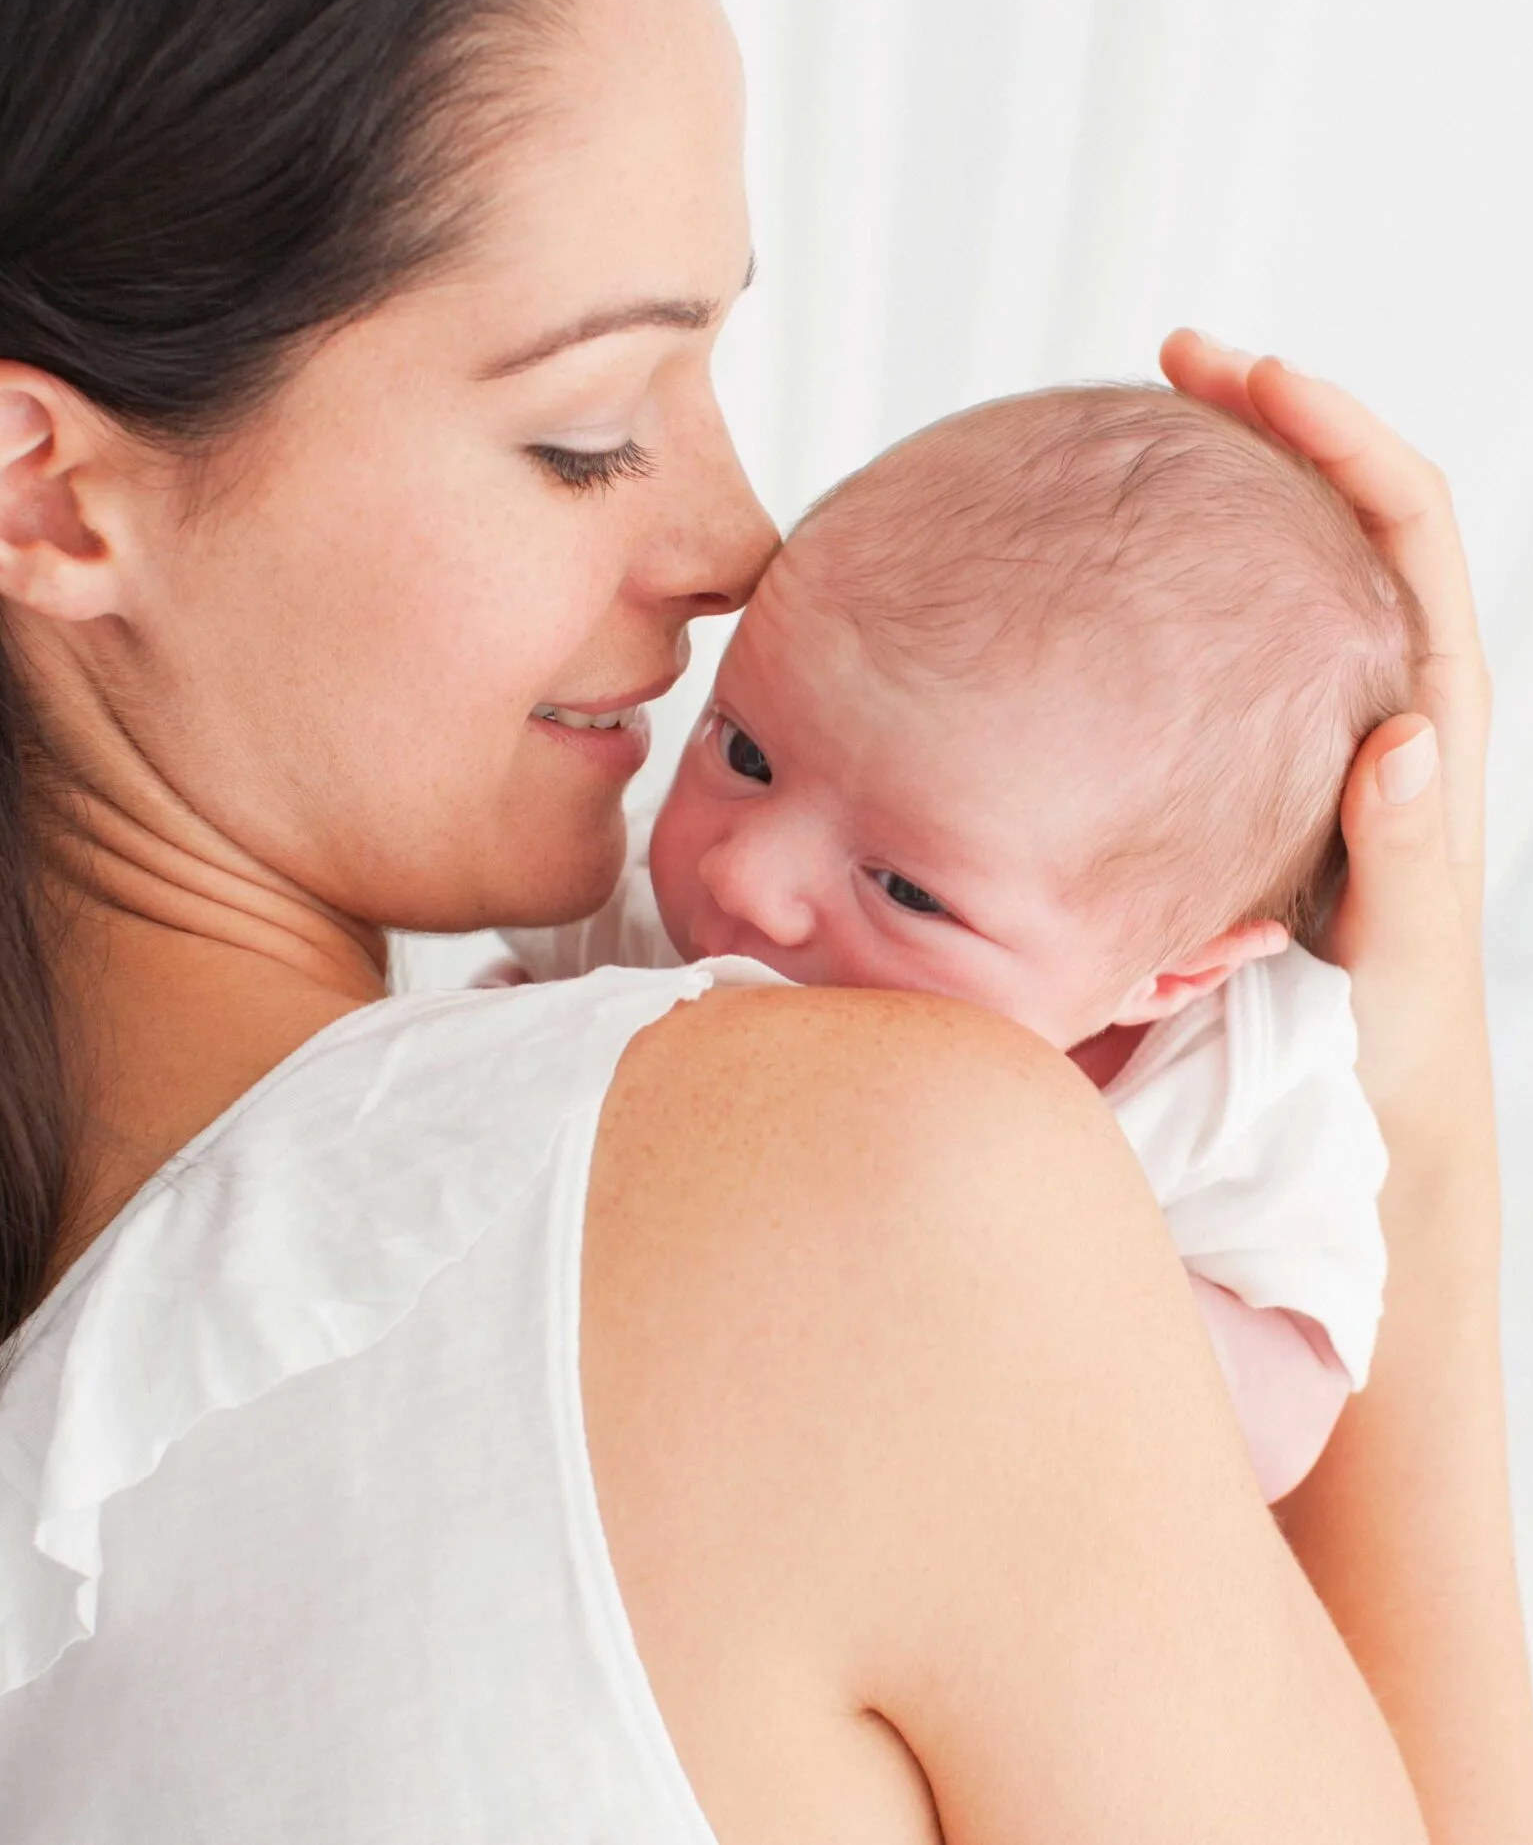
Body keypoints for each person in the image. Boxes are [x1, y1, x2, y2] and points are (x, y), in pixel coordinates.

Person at [0, 0, 1533, 1843]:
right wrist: (1410, 1109)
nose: (738, 540)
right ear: (49, 495)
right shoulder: (878, 1182)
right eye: (585, 431)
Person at [487, 382, 1423, 1500]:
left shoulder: (1228, 1087)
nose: (745, 874)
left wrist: (1044, 1272)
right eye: (744, 755)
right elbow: (478, 1047)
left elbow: (1288, 1404)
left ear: (1167, 974)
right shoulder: (644, 912)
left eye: (904, 889)